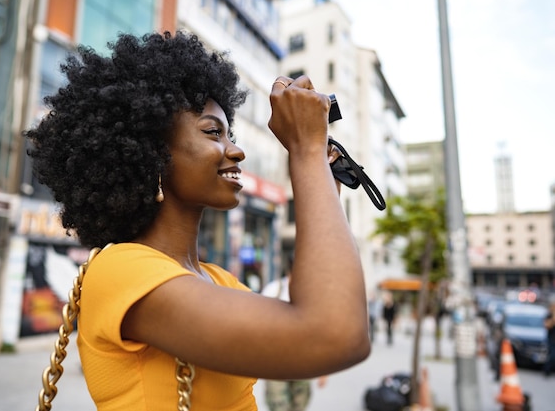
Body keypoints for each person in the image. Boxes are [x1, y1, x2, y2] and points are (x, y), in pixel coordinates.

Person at [25, 30, 369, 410]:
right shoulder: (122, 272)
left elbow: (321, 308)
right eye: (213, 132)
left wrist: (319, 164)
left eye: (230, 134)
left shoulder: (219, 281)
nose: (235, 150)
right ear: (153, 155)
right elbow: (335, 335)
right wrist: (304, 152)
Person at [261, 256, 328, 411]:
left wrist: (324, 371)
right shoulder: (273, 290)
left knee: (299, 406)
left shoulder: (312, 296)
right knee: (279, 406)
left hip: (302, 364)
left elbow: (319, 333)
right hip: (275, 364)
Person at [544, 301, 555, 377]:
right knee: (552, 355)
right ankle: (547, 370)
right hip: (551, 339)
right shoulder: (549, 316)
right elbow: (547, 325)